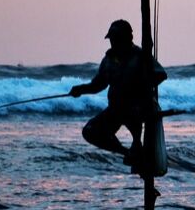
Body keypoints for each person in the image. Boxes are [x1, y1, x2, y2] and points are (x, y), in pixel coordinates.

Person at [69, 20, 167, 168]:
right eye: (112, 39)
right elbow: (98, 84)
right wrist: (80, 89)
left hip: (137, 109)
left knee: (137, 134)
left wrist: (141, 86)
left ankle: (137, 148)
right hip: (115, 109)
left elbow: (160, 74)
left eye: (117, 39)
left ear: (127, 39)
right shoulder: (109, 60)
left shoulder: (140, 56)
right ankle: (126, 152)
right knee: (90, 131)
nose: (113, 43)